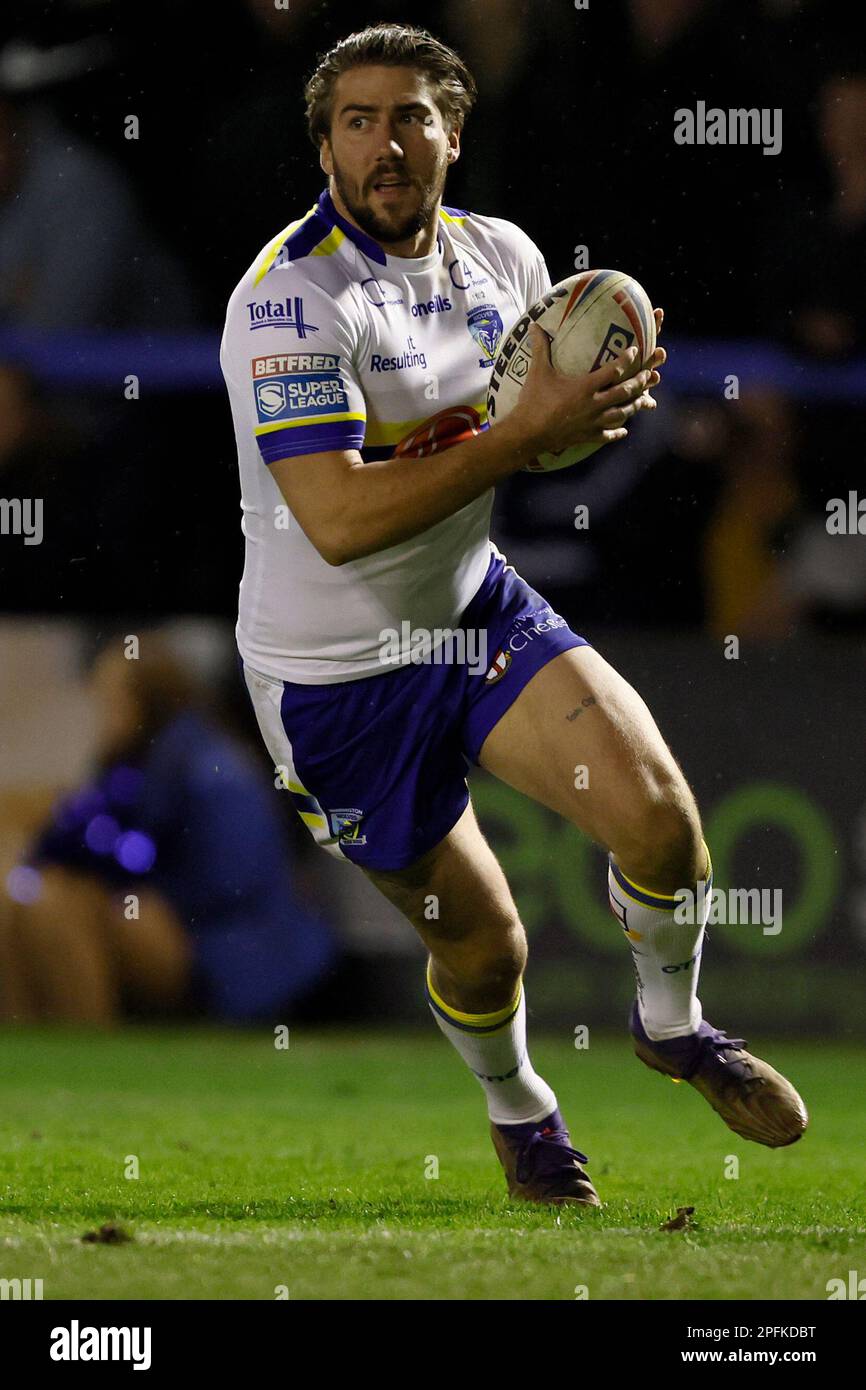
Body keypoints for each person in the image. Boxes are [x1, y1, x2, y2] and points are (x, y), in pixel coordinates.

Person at [220, 22, 807, 1207]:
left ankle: (672, 1024)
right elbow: (334, 515)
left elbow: (523, 444)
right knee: (485, 945)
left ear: (453, 130)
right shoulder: (289, 300)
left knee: (660, 825)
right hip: (334, 680)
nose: (385, 144)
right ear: (324, 142)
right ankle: (520, 1110)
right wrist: (523, 437)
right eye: (357, 119)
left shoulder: (504, 258)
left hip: (472, 611)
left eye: (410, 117)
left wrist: (584, 418)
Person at [0, 638, 339, 1025]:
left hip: (241, 946)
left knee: (64, 908)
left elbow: (232, 884)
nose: (102, 715)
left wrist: (135, 892)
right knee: (42, 898)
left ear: (146, 698)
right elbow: (66, 844)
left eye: (110, 700)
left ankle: (88, 1036)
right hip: (189, 923)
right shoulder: (137, 766)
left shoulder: (212, 768)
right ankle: (35, 1031)